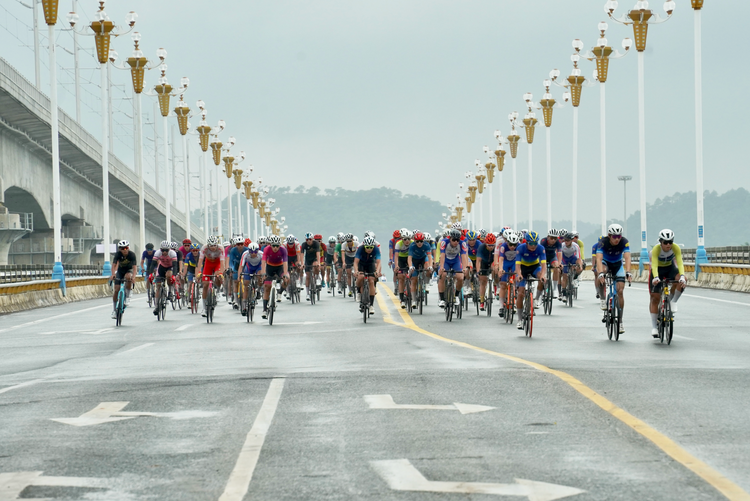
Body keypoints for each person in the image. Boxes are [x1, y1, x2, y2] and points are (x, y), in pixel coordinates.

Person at [649, 229, 687, 338]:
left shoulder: (675, 248)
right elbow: (654, 265)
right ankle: (654, 327)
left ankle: (673, 301)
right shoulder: (656, 249)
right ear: (660, 242)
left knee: (681, 279)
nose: (668, 245)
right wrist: (655, 277)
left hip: (669, 268)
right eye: (665, 242)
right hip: (658, 270)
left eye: (670, 242)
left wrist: (683, 276)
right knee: (654, 298)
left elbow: (679, 262)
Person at [596, 224, 632, 334]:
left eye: (619, 236)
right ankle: (603, 299)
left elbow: (627, 257)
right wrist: (601, 273)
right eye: (614, 237)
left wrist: (628, 271)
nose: (617, 239)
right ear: (609, 235)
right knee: (602, 272)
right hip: (605, 263)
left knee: (620, 291)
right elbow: (598, 258)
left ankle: (620, 321)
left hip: (617, 265)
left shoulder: (624, 241)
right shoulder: (603, 242)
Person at [514, 231, 547, 329]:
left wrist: (542, 276)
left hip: (534, 267)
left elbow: (543, 264)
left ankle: (536, 299)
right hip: (523, 268)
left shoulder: (541, 248)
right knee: (520, 293)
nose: (533, 246)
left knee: (542, 278)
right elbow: (517, 265)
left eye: (535, 243)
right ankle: (519, 319)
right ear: (526, 242)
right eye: (531, 243)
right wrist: (519, 274)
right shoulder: (520, 248)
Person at [261, 235, 289, 319]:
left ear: (280, 245)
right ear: (270, 245)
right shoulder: (266, 249)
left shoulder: (283, 250)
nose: (275, 248)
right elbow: (263, 262)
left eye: (277, 246)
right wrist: (263, 273)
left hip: (279, 267)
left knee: (287, 279)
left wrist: (285, 274)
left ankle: (280, 292)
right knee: (267, 287)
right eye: (273, 246)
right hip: (269, 267)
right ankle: (265, 310)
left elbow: (285, 263)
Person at [437, 229, 467, 308]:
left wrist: (464, 268)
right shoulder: (444, 242)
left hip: (455, 261)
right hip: (446, 261)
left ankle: (456, 295)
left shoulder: (462, 244)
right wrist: (442, 267)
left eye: (457, 240)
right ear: (450, 238)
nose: (455, 242)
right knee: (442, 276)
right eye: (453, 240)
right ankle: (442, 299)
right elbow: (442, 255)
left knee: (460, 277)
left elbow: (463, 256)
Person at [196, 236, 225, 317]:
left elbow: (222, 263)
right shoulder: (204, 248)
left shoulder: (220, 248)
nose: (213, 247)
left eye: (214, 245)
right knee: (205, 284)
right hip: (208, 264)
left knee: (217, 276)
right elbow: (200, 261)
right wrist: (199, 272)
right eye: (211, 246)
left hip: (217, 263)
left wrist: (221, 274)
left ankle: (217, 290)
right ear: (208, 245)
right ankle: (204, 308)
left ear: (217, 245)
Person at [353, 236, 381, 315]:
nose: (369, 249)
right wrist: (356, 271)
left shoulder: (376, 249)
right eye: (367, 247)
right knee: (361, 277)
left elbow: (378, 262)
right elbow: (355, 262)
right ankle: (358, 291)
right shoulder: (360, 249)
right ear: (364, 246)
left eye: (371, 247)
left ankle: (371, 305)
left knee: (371, 281)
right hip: (361, 264)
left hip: (370, 264)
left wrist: (377, 271)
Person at [495, 230, 520, 317]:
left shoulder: (520, 247)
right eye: (510, 245)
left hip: (514, 263)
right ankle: (501, 306)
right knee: (503, 284)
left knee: (517, 277)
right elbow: (501, 259)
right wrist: (500, 269)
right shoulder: (503, 246)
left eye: (514, 245)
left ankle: (515, 293)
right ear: (507, 243)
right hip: (505, 262)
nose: (512, 247)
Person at [110, 240, 137, 318]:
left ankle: (127, 296)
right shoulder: (118, 254)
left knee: (128, 277)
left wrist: (134, 277)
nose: (125, 250)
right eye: (122, 249)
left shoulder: (132, 255)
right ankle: (115, 310)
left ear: (128, 248)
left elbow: (134, 267)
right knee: (116, 289)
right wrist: (113, 274)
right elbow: (114, 265)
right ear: (119, 249)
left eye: (126, 248)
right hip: (120, 271)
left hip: (129, 270)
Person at [407, 232, 433, 307]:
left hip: (423, 259)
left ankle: (426, 283)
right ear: (414, 241)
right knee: (414, 280)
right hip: (414, 260)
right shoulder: (412, 245)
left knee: (428, 267)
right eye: (417, 241)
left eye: (421, 241)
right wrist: (410, 266)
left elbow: (429, 256)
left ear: (423, 241)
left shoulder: (426, 245)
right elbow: (409, 258)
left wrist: (430, 266)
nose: (419, 243)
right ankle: (414, 300)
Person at [152, 240, 177, 315]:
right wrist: (150, 272)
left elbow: (175, 265)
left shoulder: (172, 253)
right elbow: (153, 264)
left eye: (166, 250)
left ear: (169, 249)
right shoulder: (158, 252)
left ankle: (170, 291)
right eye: (163, 250)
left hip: (170, 267)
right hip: (161, 268)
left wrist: (174, 275)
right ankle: (156, 306)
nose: (165, 252)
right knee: (158, 287)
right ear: (161, 249)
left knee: (169, 275)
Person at [239, 243, 264, 315]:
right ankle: (244, 306)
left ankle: (258, 290)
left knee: (260, 276)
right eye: (251, 252)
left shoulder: (261, 254)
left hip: (258, 267)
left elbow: (264, 265)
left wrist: (263, 274)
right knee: (246, 285)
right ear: (249, 251)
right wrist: (239, 276)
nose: (253, 254)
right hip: (249, 268)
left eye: (255, 252)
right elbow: (241, 266)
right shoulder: (245, 254)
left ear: (258, 250)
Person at [559, 233, 583, 303]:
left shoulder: (576, 246)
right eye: (565, 240)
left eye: (567, 241)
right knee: (565, 275)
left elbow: (579, 258)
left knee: (579, 268)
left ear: (571, 240)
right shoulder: (562, 246)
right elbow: (559, 256)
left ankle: (575, 278)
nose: (566, 242)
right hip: (564, 259)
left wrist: (579, 266)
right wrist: (560, 263)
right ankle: (563, 293)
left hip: (572, 258)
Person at [539, 229, 562, 299]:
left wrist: (559, 264)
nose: (553, 240)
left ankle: (555, 289)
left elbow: (559, 253)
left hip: (552, 256)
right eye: (552, 238)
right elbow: (540, 253)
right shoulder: (543, 241)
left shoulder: (558, 242)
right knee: (543, 271)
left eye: (555, 238)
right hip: (543, 256)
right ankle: (544, 289)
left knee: (556, 268)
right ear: (548, 237)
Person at [475, 232, 496, 310]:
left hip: (492, 261)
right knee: (483, 281)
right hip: (483, 262)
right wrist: (478, 271)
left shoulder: (496, 248)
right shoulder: (481, 247)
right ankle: (482, 301)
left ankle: (494, 285)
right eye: (489, 245)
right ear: (486, 244)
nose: (491, 247)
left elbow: (497, 260)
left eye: (492, 245)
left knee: (494, 269)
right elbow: (478, 261)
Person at [394, 230, 413, 308]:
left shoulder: (413, 243)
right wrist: (396, 266)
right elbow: (396, 256)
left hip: (410, 258)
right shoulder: (398, 244)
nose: (407, 241)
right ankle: (402, 299)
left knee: (413, 277)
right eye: (405, 239)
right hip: (401, 259)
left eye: (408, 239)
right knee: (401, 278)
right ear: (402, 239)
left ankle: (413, 294)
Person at [300, 232, 321, 301]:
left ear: (312, 239)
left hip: (314, 258)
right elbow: (302, 254)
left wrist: (319, 263)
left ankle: (317, 278)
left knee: (315, 266)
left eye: (310, 239)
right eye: (307, 240)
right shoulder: (304, 245)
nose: (308, 241)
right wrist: (302, 264)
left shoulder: (316, 244)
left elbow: (318, 254)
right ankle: (307, 294)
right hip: (307, 260)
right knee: (308, 276)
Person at [228, 236, 247, 308]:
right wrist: (231, 269)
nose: (240, 246)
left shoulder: (246, 250)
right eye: (238, 244)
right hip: (236, 266)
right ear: (236, 245)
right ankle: (236, 300)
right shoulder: (233, 250)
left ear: (243, 244)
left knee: (246, 281)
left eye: (241, 244)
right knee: (235, 282)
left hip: (244, 266)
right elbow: (231, 261)